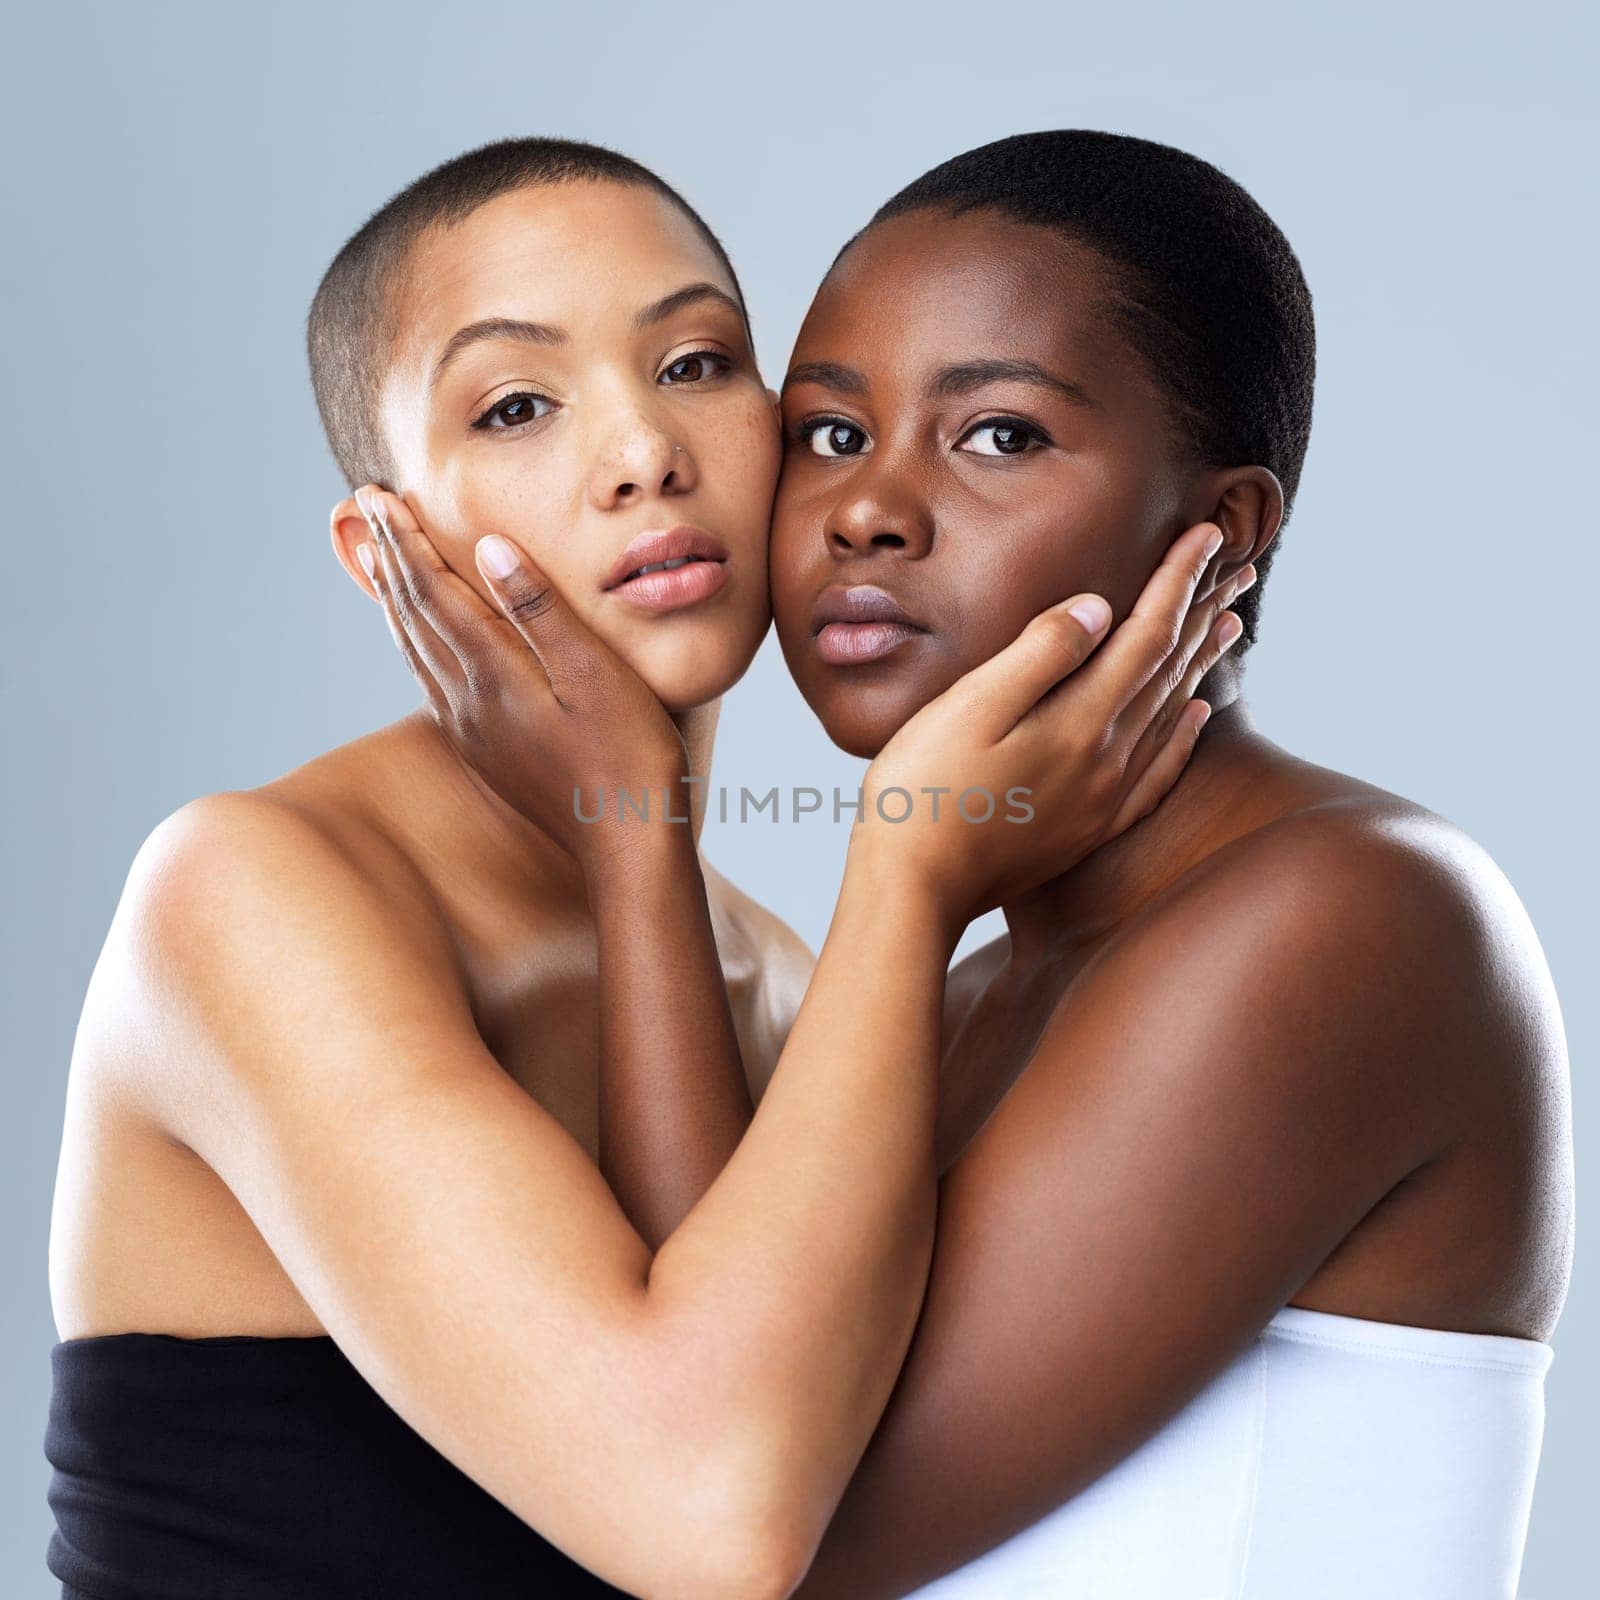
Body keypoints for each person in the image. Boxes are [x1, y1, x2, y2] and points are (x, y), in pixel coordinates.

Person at [378, 132, 1573, 1598]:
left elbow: (755, 1531)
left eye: (997, 433)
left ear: (1228, 531)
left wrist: (897, 877)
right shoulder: (963, 993)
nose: (866, 510)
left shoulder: (1350, 916)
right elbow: (713, 1391)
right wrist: (635, 826)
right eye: (827, 434)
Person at [44, 138, 1233, 1600]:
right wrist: (913, 874)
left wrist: (675, 847)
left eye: (695, 364)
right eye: (520, 404)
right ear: (383, 551)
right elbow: (710, 1527)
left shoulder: (790, 984)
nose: (644, 456)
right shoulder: (249, 893)